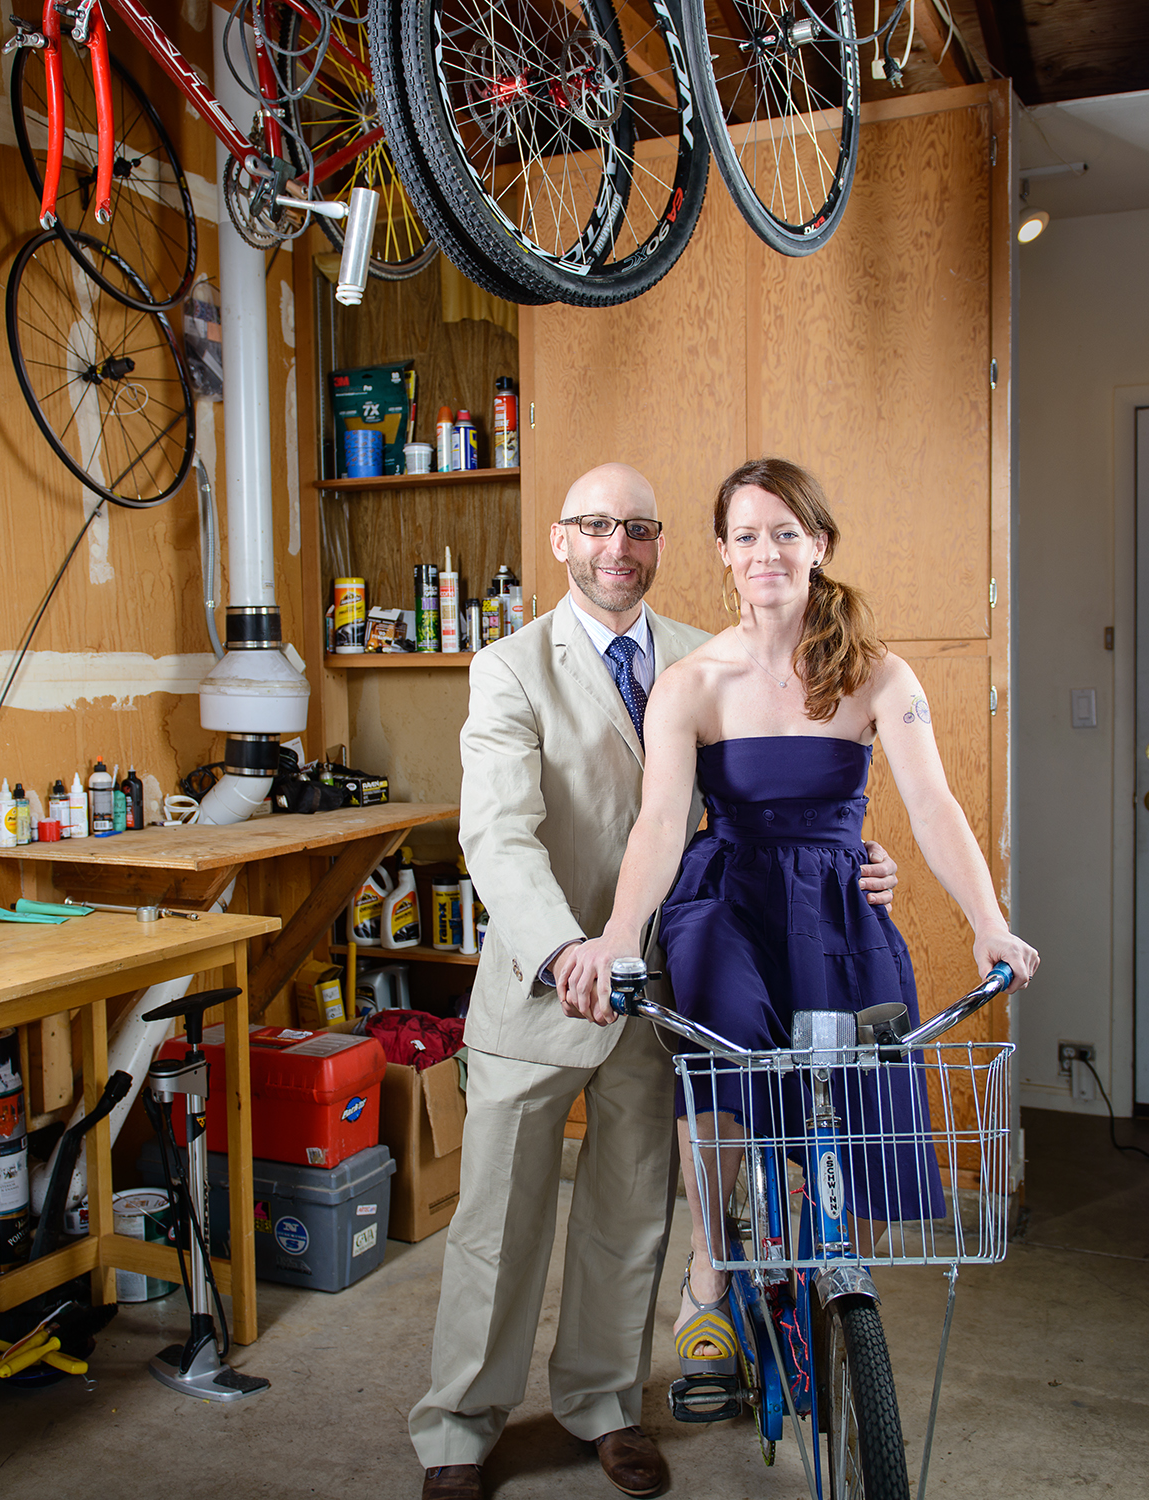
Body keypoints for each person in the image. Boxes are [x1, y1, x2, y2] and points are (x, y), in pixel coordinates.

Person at [411, 462, 900, 1500]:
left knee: (631, 1217)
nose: (616, 547)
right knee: (498, 1223)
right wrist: (566, 951)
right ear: (561, 540)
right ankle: (460, 1425)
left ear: (666, 544)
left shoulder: (708, 654)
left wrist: (858, 863)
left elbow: (770, 810)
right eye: (595, 526)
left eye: (637, 528)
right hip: (544, 989)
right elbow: (497, 834)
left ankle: (602, 1403)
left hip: (668, 992)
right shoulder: (510, 666)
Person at [562, 456, 1040, 1378]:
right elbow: (664, 823)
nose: (767, 552)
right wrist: (622, 937)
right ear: (723, 556)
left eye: (786, 532)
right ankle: (710, 1274)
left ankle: (831, 1271)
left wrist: (988, 920)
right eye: (747, 536)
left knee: (861, 1078)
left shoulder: (876, 675)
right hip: (726, 897)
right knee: (725, 1054)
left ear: (817, 546)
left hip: (833, 900)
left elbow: (935, 806)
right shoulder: (693, 682)